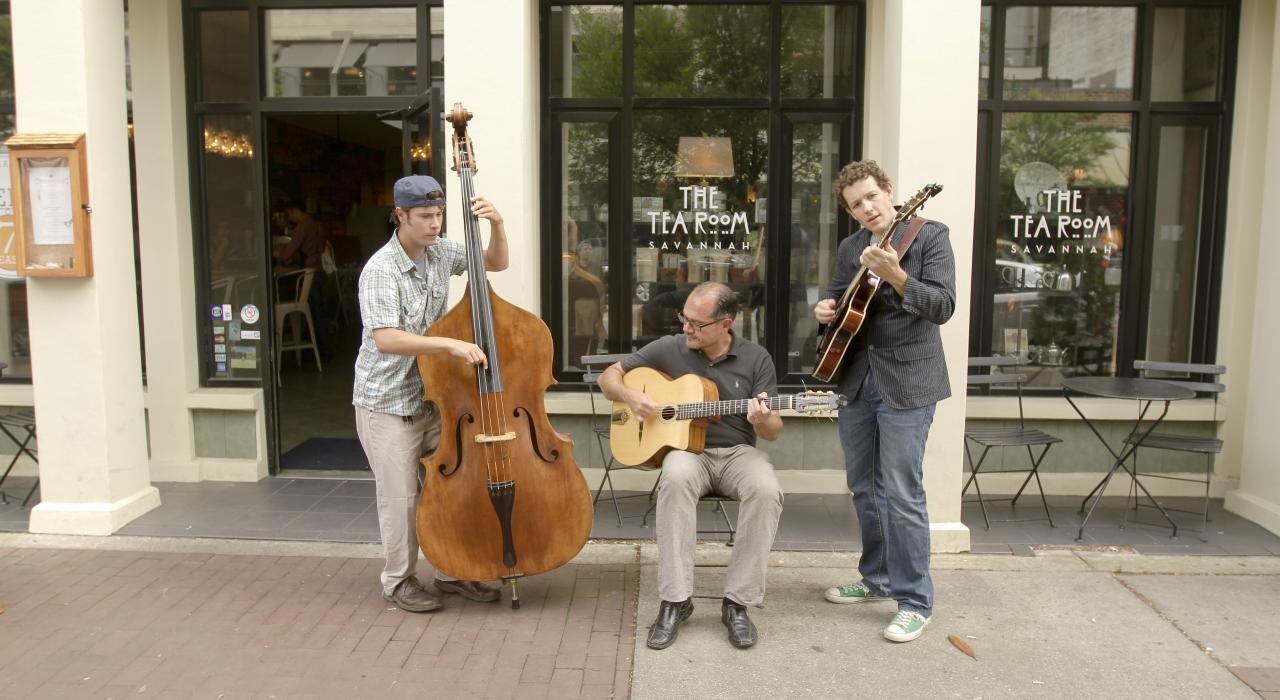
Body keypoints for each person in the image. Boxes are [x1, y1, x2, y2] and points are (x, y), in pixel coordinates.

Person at [812, 160, 955, 643]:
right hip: (856, 381)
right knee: (864, 488)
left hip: (908, 383)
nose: (866, 208)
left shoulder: (930, 236)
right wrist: (824, 308)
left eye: (872, 196)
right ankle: (876, 579)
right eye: (856, 204)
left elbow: (942, 306)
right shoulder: (852, 247)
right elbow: (837, 300)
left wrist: (897, 275)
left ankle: (915, 600)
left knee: (902, 491)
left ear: (890, 192)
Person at [598, 281, 785, 650]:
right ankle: (676, 600)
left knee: (766, 489)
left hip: (736, 453)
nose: (687, 329)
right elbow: (609, 377)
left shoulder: (756, 358)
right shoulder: (670, 347)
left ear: (725, 324)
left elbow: (774, 431)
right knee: (676, 475)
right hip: (686, 450)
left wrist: (761, 418)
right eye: (684, 319)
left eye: (697, 324)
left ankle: (737, 603)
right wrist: (631, 395)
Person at [353, 174, 508, 613]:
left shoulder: (441, 253)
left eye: (439, 214)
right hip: (387, 403)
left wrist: (497, 223)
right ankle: (398, 581)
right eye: (425, 216)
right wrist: (449, 344)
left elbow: (494, 263)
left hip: (433, 398)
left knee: (451, 488)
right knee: (401, 499)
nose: (435, 224)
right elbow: (386, 338)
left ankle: (452, 570)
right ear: (401, 216)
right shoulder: (380, 270)